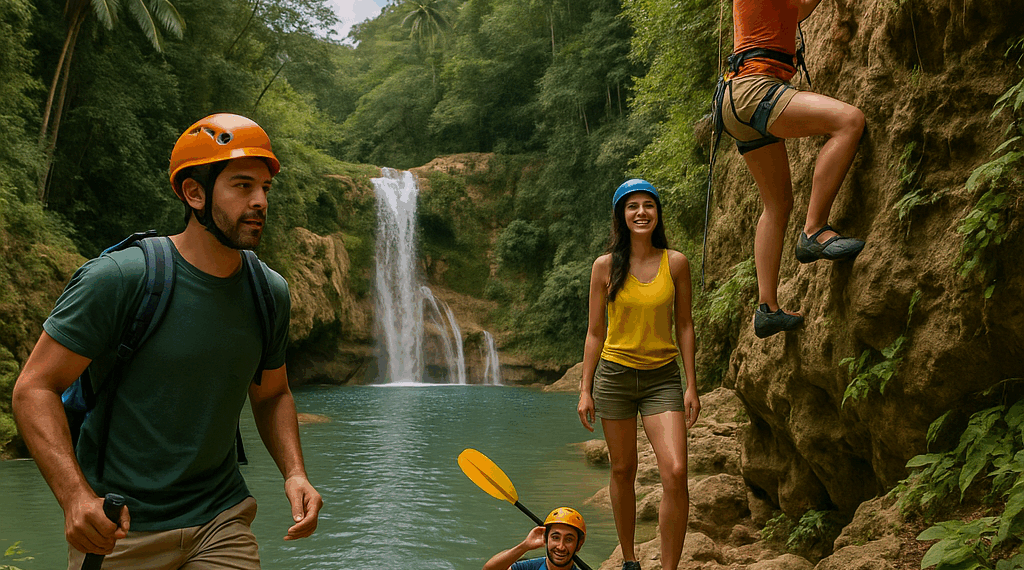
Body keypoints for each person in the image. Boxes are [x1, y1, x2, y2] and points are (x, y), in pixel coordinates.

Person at [11, 113, 323, 568]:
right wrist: (75, 499)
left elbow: (272, 393)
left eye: (265, 189)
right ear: (194, 193)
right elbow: (34, 389)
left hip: (222, 518)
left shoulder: (268, 292)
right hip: (120, 528)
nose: (259, 202)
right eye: (242, 186)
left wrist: (295, 474)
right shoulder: (120, 279)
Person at [713, 0, 867, 338]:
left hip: (734, 100)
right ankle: (814, 231)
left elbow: (798, 9)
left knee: (777, 204)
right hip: (757, 89)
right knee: (849, 121)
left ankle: (767, 309)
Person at [577, 179, 700, 570]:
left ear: (658, 213)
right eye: (633, 206)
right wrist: (584, 389)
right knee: (622, 469)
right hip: (614, 377)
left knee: (676, 472)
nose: (642, 212)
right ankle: (630, 559)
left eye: (649, 205)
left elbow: (684, 325)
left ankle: (668, 567)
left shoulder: (675, 262)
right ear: (622, 216)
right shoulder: (604, 267)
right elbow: (596, 332)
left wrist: (692, 385)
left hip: (662, 377)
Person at [483, 507, 588, 570]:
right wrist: (525, 546)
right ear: (546, 538)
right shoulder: (529, 567)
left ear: (579, 544)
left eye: (569, 539)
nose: (561, 547)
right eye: (555, 537)